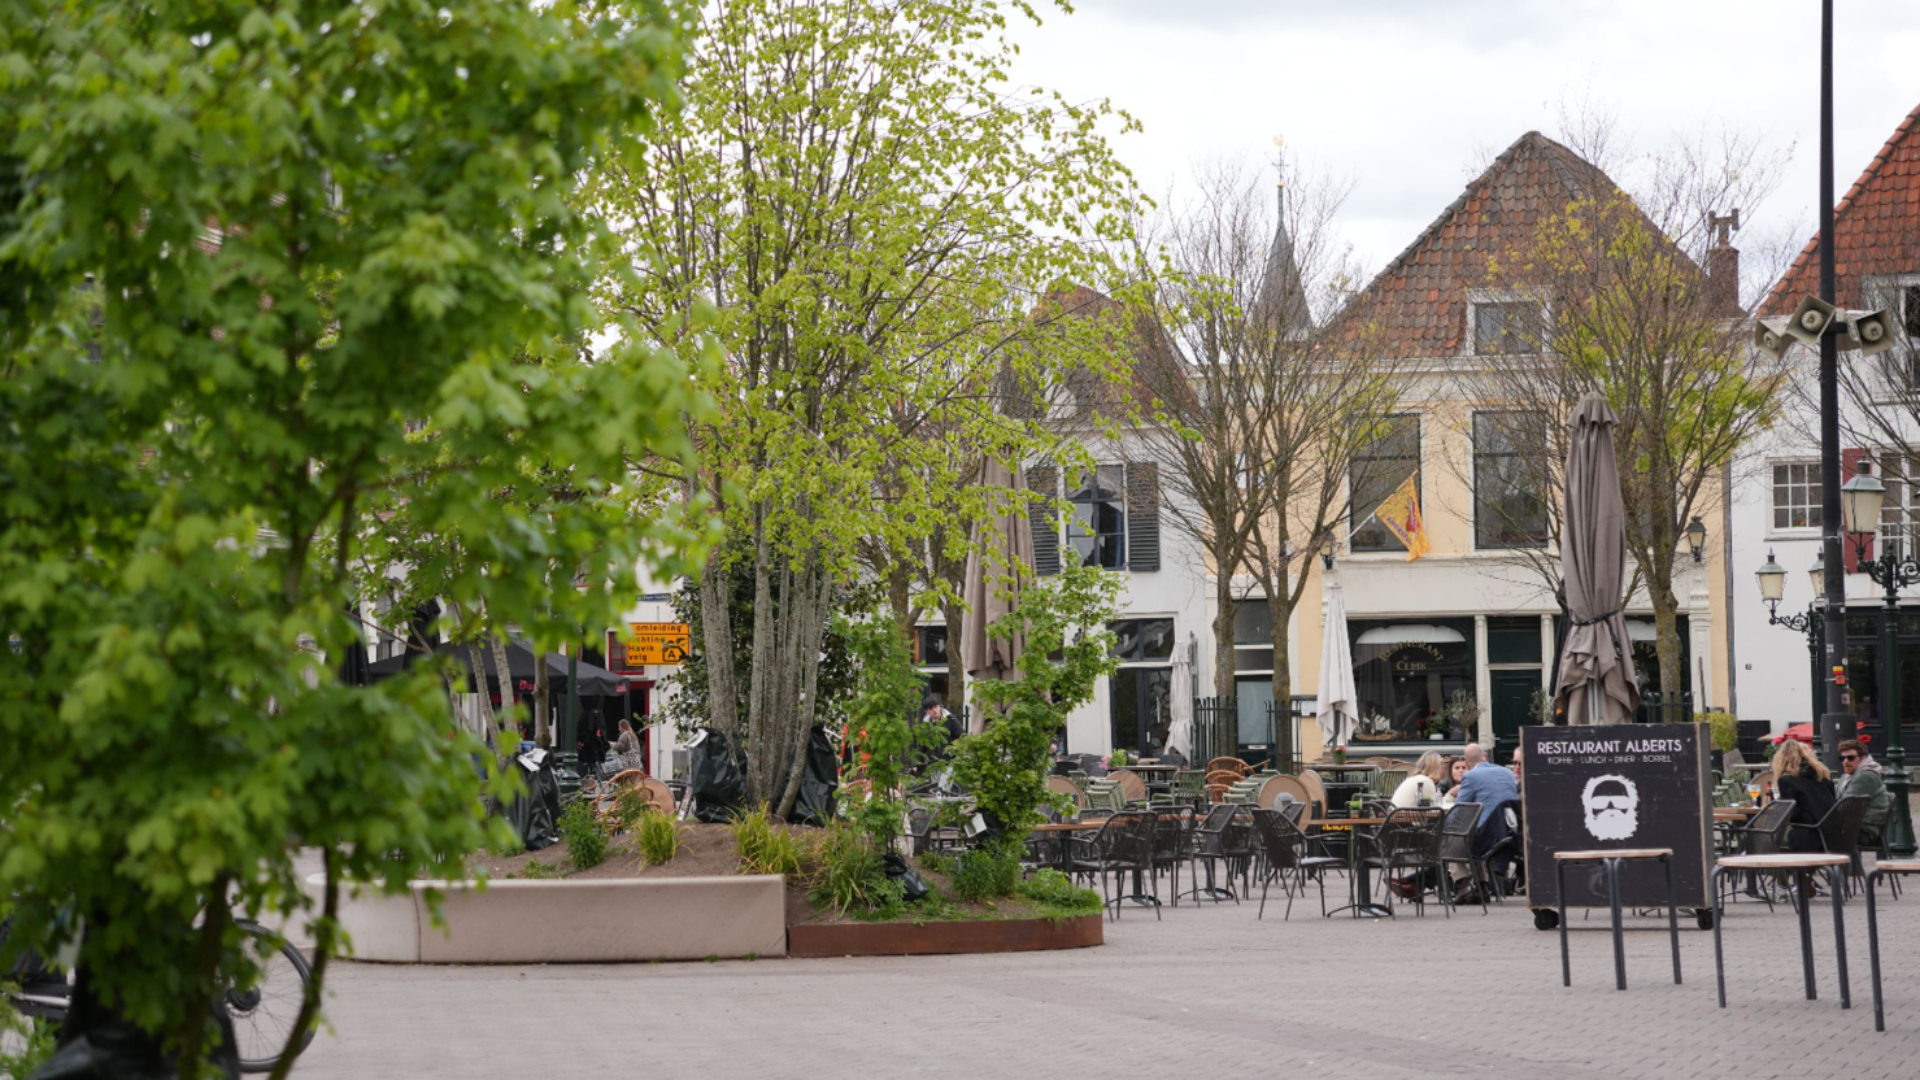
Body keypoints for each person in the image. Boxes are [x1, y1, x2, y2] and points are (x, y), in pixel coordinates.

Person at [1771, 738, 1837, 853]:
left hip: (1808, 835)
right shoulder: (1824, 776)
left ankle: (1768, 868)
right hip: (1833, 835)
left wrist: (1778, 807)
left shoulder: (1787, 780)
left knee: (1767, 837)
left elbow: (1791, 814)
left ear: (1781, 760)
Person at [1835, 738, 1890, 848]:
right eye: (1842, 758)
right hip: (1852, 827)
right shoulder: (1846, 777)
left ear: (1863, 758)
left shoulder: (1866, 776)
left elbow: (1844, 806)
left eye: (1850, 758)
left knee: (1815, 836)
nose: (1845, 761)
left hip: (1865, 830)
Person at [1452, 742, 1518, 826]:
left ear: (1466, 764)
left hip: (1486, 832)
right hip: (1510, 829)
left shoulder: (1470, 776)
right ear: (1485, 757)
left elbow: (1458, 812)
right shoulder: (1508, 773)